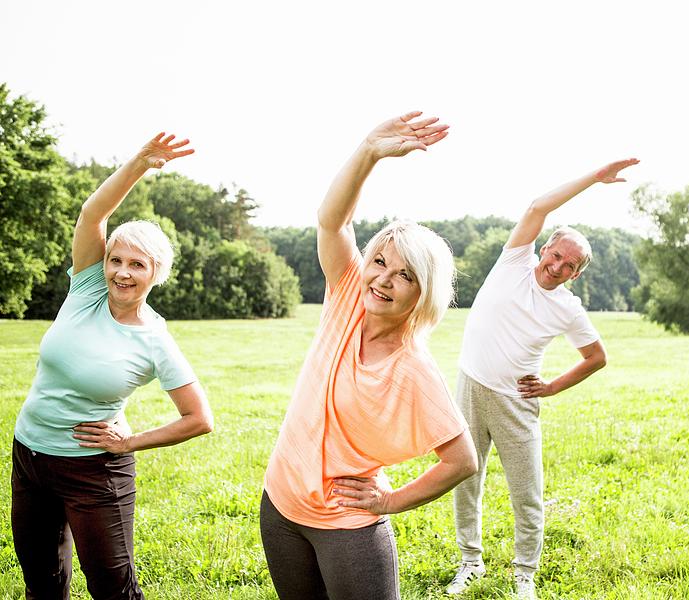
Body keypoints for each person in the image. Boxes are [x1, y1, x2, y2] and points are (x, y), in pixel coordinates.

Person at [260, 111, 477, 600]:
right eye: (379, 262)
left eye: (404, 275)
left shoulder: (414, 370)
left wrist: (391, 499)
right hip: (279, 507)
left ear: (423, 294)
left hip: (348, 527)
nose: (381, 279)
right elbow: (332, 220)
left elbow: (461, 460)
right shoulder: (345, 299)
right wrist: (369, 151)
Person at [11, 133, 215, 599]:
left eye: (137, 265)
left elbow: (199, 418)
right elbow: (92, 214)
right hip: (30, 456)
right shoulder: (86, 290)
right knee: (41, 583)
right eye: (116, 260)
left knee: (112, 589)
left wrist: (131, 442)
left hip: (93, 471)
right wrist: (139, 165)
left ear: (155, 272)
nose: (122, 272)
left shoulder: (154, 339)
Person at [447, 159, 638, 599]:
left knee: (527, 494)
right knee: (463, 480)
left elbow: (596, 357)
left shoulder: (568, 308)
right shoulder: (513, 262)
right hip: (470, 387)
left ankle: (524, 576)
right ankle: (469, 563)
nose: (557, 266)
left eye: (569, 265)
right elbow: (537, 206)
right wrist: (593, 178)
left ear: (577, 273)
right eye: (555, 255)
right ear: (544, 249)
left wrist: (551, 386)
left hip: (517, 402)